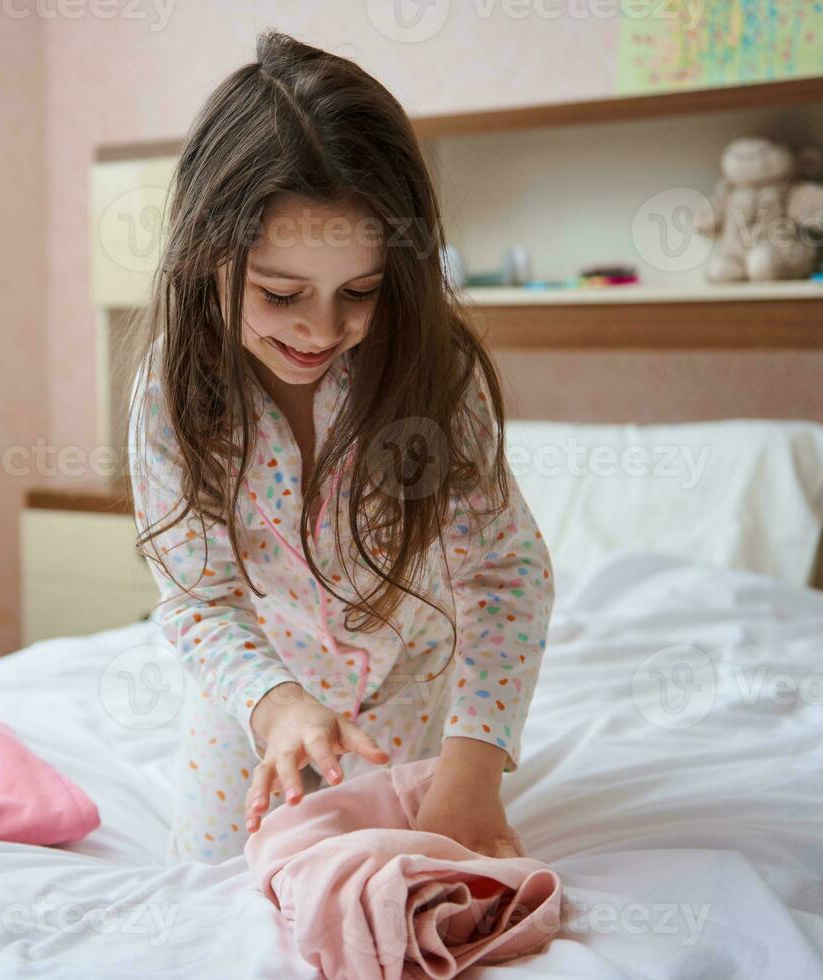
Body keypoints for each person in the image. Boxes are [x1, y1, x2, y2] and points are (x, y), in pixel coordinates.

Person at [125, 31, 553, 864]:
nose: (322, 329)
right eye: (281, 293)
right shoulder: (169, 391)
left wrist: (473, 772)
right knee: (214, 884)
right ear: (206, 254)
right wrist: (276, 704)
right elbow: (194, 597)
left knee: (384, 877)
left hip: (405, 683)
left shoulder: (433, 376)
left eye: (360, 291)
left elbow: (504, 575)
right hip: (255, 695)